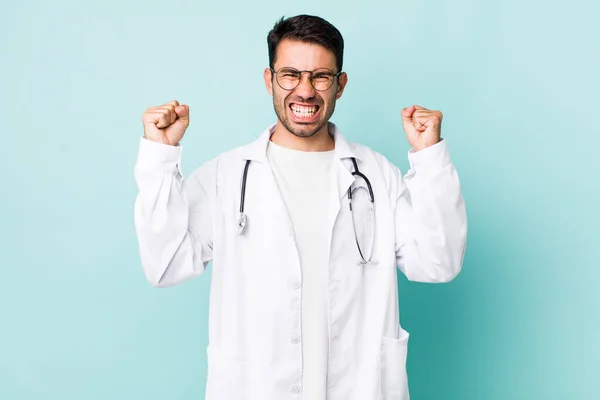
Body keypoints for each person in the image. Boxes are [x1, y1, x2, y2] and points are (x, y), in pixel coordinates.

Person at [134, 14, 467, 400]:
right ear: (269, 80)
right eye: (290, 74)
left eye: (320, 77)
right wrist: (160, 156)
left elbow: (438, 262)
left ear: (340, 85)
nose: (305, 91)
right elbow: (164, 264)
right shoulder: (226, 177)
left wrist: (429, 159)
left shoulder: (377, 176)